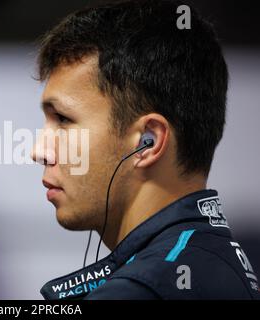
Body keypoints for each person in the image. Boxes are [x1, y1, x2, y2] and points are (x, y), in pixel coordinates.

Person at [31, 0, 260, 300]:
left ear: (147, 141)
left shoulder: (143, 289)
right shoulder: (213, 259)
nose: (38, 151)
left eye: (63, 119)